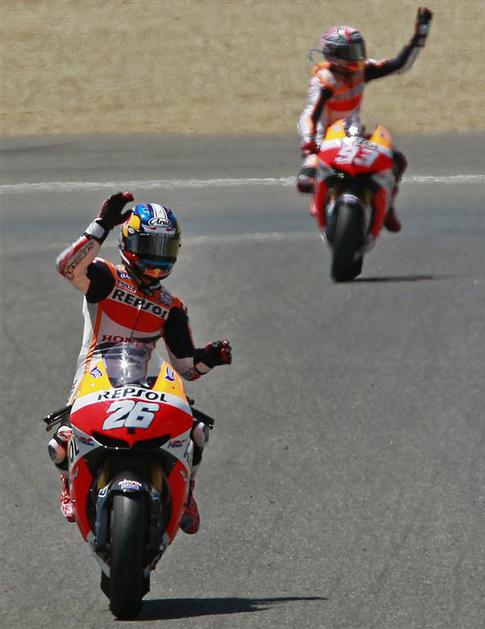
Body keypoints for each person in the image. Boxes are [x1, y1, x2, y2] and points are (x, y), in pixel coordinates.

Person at [48, 192, 232, 533]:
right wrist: (100, 226)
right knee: (60, 443)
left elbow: (186, 368)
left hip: (148, 378)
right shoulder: (105, 278)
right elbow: (67, 267)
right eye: (149, 245)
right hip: (96, 373)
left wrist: (209, 358)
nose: (156, 257)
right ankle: (69, 482)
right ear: (129, 243)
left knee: (197, 433)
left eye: (165, 248)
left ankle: (187, 492)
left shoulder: (172, 307)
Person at [297, 7, 433, 232]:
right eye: (351, 51)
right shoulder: (323, 81)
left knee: (397, 160)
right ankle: (320, 197)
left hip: (351, 134)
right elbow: (310, 115)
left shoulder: (363, 70)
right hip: (323, 138)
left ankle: (388, 205)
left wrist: (419, 37)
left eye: (358, 49)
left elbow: (400, 65)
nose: (357, 56)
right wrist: (309, 140)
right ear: (335, 55)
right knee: (305, 181)